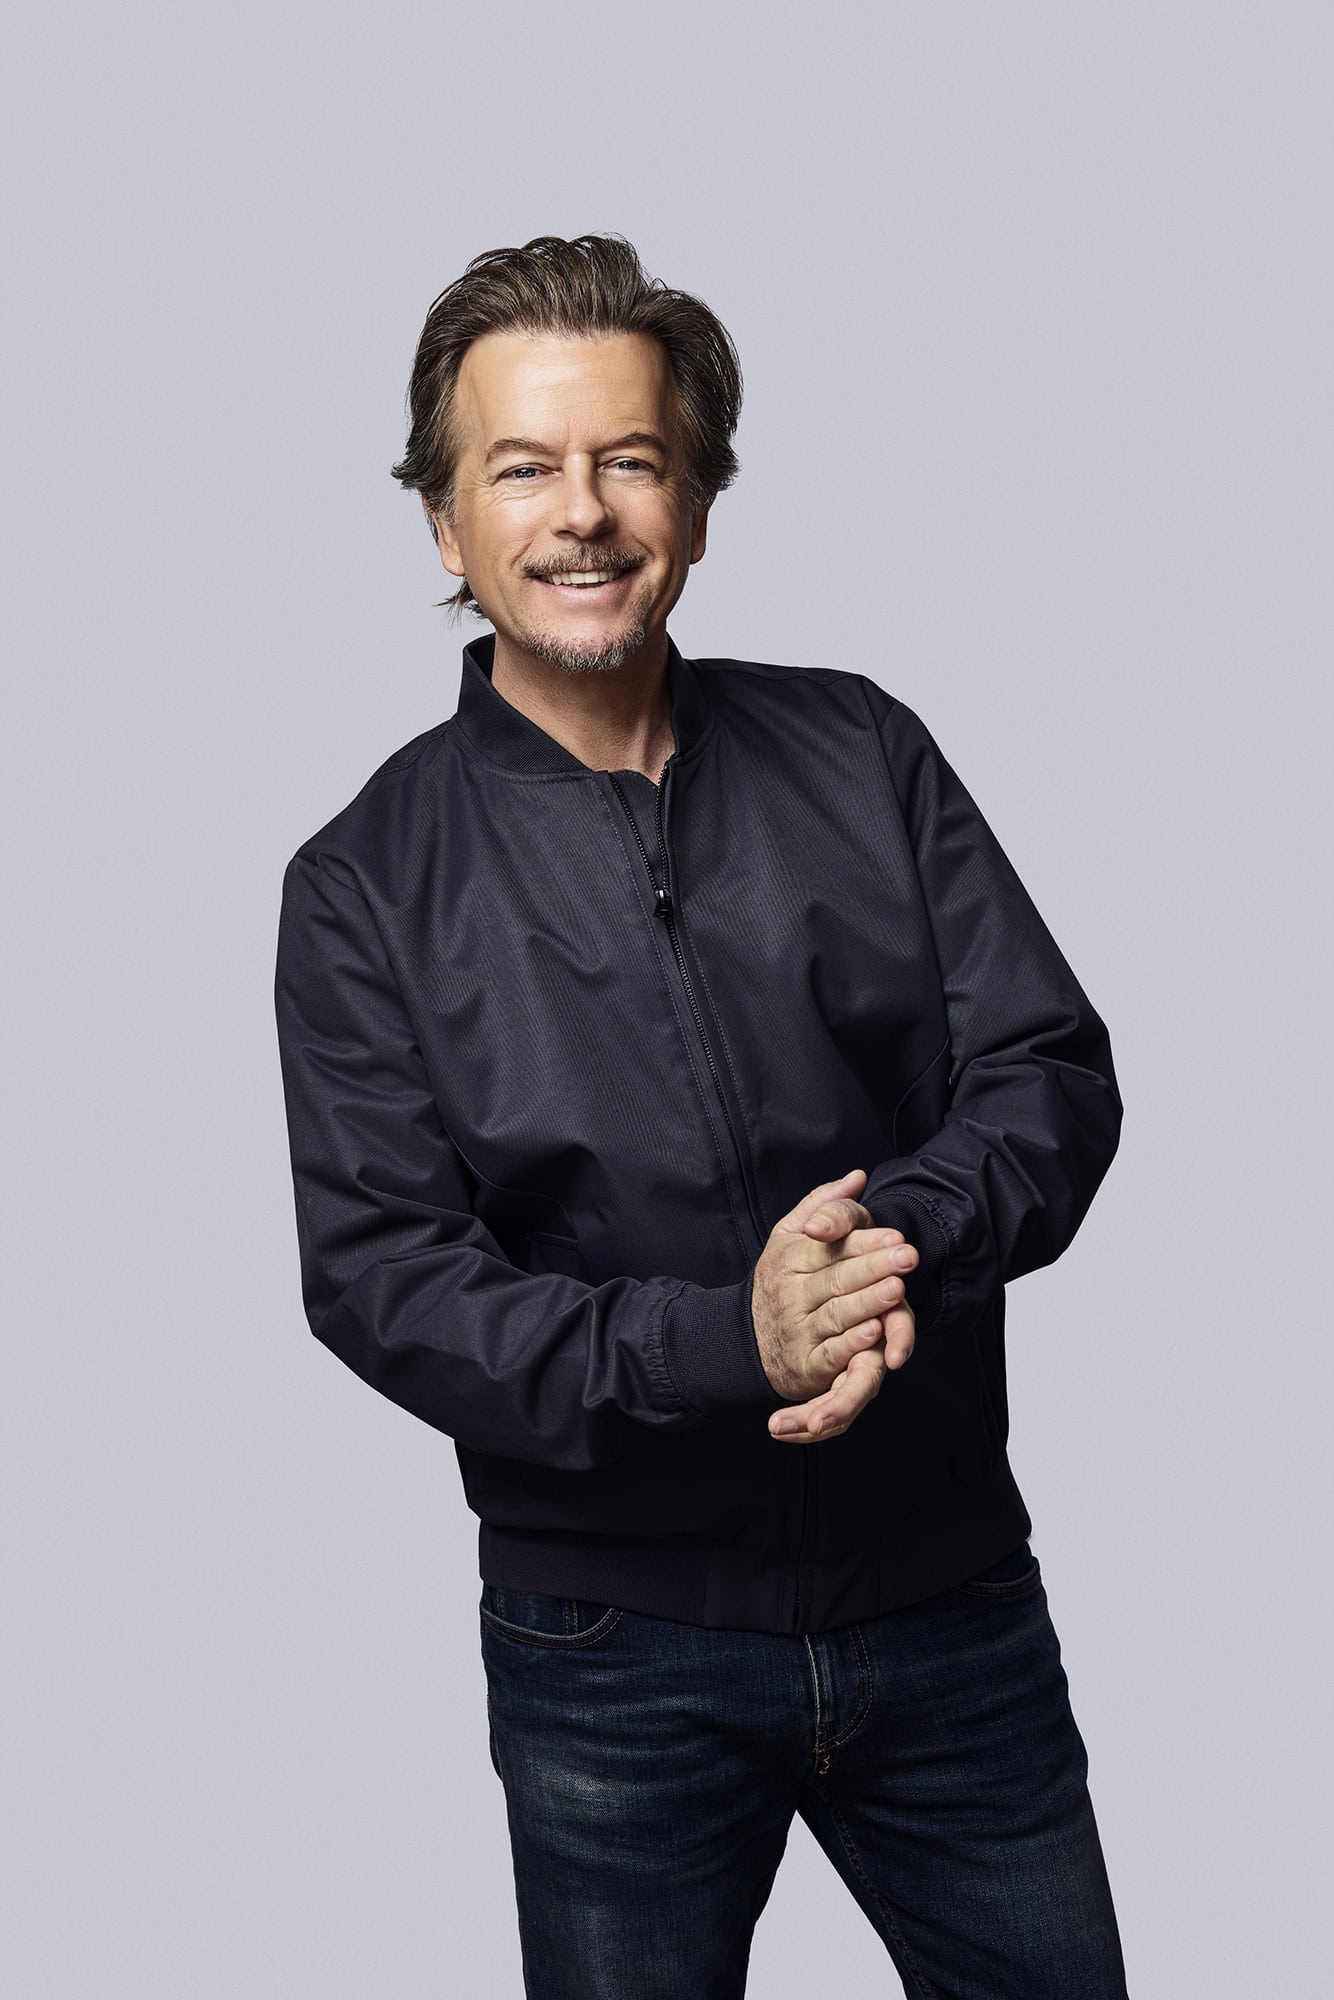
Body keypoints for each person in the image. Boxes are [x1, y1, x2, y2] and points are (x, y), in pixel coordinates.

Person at [273, 233, 1130, 1998]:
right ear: (444, 524)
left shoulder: (862, 749)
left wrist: (884, 1253)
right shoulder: (362, 883)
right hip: (613, 1650)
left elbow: (1045, 1071)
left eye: (630, 460)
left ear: (700, 502)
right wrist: (728, 1341)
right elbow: (387, 1281)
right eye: (523, 468)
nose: (582, 513)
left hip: (948, 1595)